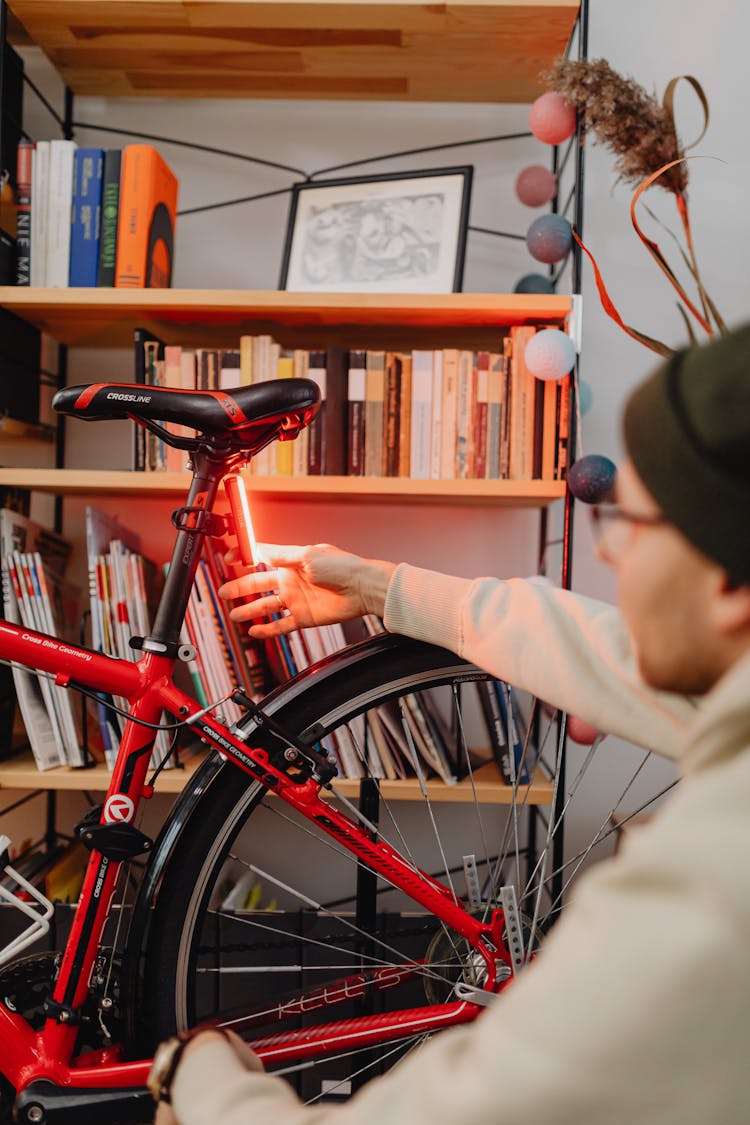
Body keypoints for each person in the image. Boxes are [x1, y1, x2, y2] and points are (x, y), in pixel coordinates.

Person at [152, 324, 750, 1124]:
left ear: (731, 586)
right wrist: (374, 585)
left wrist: (198, 1071)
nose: (609, 558)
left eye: (630, 525)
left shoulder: (721, 881)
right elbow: (592, 646)